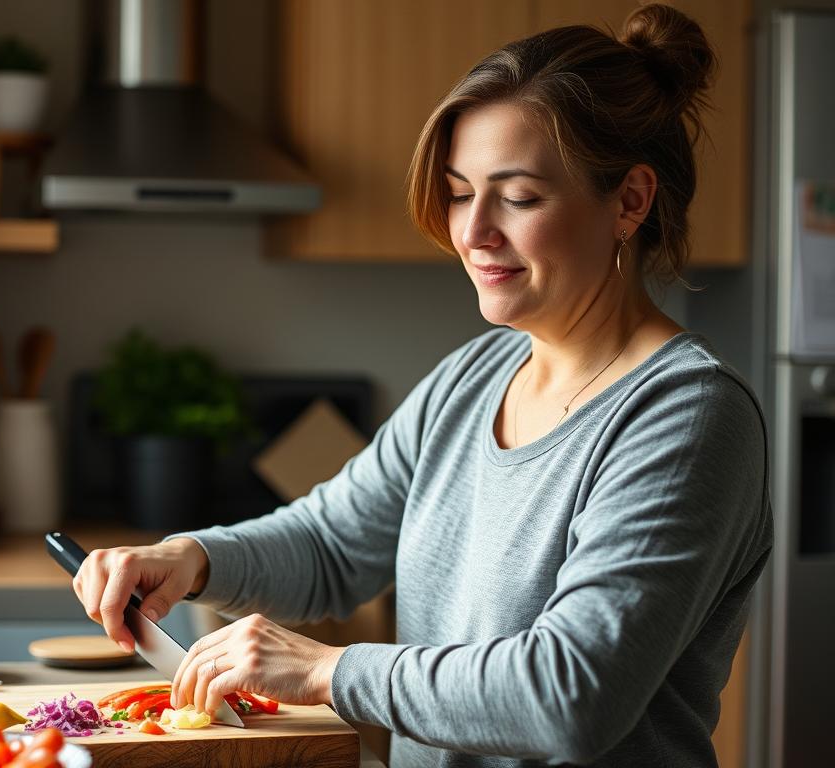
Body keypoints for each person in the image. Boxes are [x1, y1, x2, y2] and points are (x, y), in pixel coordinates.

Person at [72, 5, 773, 766]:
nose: (472, 232)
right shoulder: (475, 376)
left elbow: (571, 694)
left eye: (518, 196)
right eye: (461, 192)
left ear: (630, 200)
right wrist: (190, 559)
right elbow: (332, 546)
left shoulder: (686, 414)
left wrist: (325, 671)